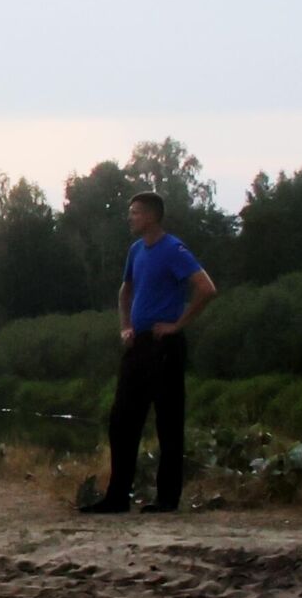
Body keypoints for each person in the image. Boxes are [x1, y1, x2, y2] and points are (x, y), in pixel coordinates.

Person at [81, 191, 218, 514]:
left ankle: (167, 499)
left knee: (168, 421)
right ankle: (117, 497)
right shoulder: (135, 250)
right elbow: (125, 290)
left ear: (152, 216)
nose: (130, 218)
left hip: (165, 345)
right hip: (138, 344)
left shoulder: (173, 249)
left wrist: (177, 325)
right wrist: (125, 325)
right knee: (122, 419)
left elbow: (206, 288)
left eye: (136, 213)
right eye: (131, 212)